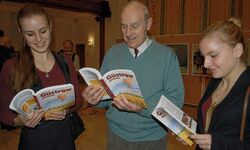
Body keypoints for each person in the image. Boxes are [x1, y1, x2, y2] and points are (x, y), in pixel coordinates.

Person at [82, 1, 184, 150]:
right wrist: (94, 99)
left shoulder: (167, 56)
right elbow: (105, 99)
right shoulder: (112, 53)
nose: (128, 33)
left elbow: (175, 102)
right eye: (124, 26)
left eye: (134, 26)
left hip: (152, 138)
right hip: (115, 135)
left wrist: (141, 108)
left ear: (148, 24)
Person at [0, 4, 82, 150]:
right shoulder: (11, 66)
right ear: (21, 33)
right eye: (30, 34)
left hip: (65, 141)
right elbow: (4, 113)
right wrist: (21, 120)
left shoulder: (65, 61)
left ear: (50, 26)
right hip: (34, 142)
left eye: (43, 31)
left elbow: (78, 101)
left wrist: (66, 110)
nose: (38, 39)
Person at [189, 18, 250, 150]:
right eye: (204, 57)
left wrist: (218, 144)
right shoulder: (214, 83)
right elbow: (209, 125)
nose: (206, 64)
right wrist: (190, 132)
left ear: (237, 51)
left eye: (214, 55)